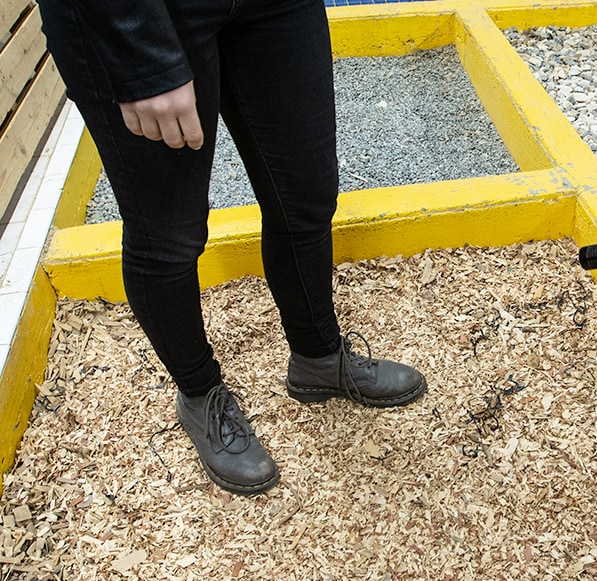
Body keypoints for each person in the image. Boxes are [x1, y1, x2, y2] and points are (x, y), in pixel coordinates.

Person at [36, 0, 427, 496]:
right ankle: (199, 394)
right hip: (147, 16)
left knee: (305, 198)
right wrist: (142, 57)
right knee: (169, 236)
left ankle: (319, 357)